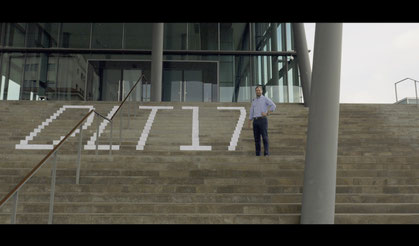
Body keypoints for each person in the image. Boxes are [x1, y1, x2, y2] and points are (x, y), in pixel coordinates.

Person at [248, 85, 276, 156]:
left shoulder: (265, 99)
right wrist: (249, 121)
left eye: (259, 90)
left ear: (262, 91)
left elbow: (273, 106)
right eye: (257, 90)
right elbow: (251, 111)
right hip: (255, 121)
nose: (258, 91)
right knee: (256, 138)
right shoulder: (254, 100)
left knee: (264, 137)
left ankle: (266, 153)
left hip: (262, 120)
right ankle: (258, 154)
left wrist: (267, 113)